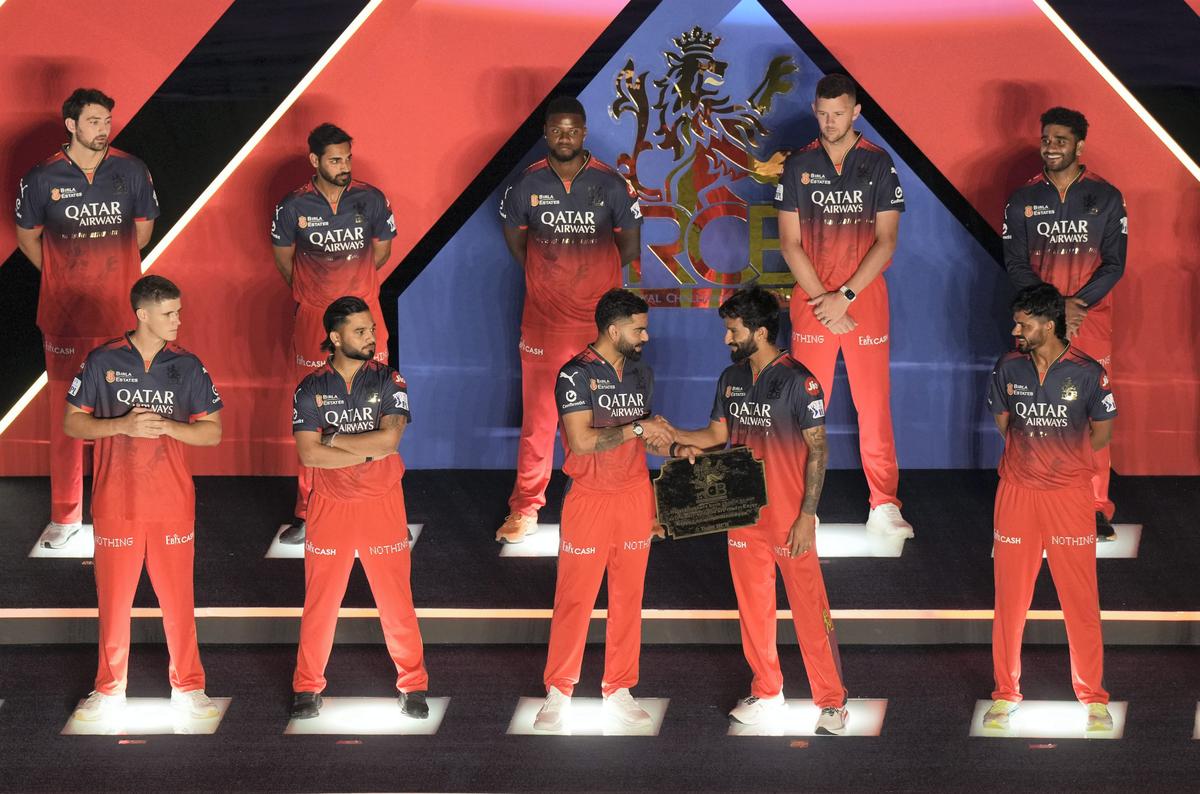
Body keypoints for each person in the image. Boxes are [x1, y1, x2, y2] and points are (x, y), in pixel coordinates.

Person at [670, 287, 848, 735]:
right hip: (742, 512)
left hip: (790, 518)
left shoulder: (799, 381)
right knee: (753, 609)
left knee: (810, 610)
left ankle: (831, 702)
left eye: (733, 330)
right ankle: (767, 691)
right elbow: (715, 436)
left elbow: (819, 450)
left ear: (761, 331)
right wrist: (669, 435)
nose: (727, 338)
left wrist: (808, 514)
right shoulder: (731, 377)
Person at [63, 275, 222, 722]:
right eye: (169, 313)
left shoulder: (188, 365)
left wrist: (171, 426)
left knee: (179, 601)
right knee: (114, 602)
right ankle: (109, 690)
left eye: (179, 311)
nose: (178, 320)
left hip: (172, 501)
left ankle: (189, 686)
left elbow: (213, 432)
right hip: (116, 500)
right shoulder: (102, 360)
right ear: (143, 315)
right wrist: (122, 426)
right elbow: (73, 424)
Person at [16, 87, 160, 549]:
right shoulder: (41, 178)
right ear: (71, 125)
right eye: (95, 121)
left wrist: (108, 274)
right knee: (69, 417)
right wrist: (64, 275)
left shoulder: (131, 169)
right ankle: (65, 516)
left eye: (107, 121)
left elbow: (141, 230)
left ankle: (121, 510)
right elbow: (26, 238)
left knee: (124, 414)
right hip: (64, 315)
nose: (103, 129)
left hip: (121, 311)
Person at [496, 95, 643, 544]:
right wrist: (549, 282)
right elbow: (518, 246)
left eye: (572, 130)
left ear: (584, 132)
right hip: (543, 323)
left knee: (602, 418)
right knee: (540, 421)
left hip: (598, 328)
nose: (565, 137)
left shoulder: (612, 185)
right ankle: (525, 508)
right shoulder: (525, 186)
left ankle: (604, 500)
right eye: (557, 130)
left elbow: (630, 249)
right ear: (546, 133)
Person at [774, 73, 911, 539]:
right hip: (811, 298)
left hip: (864, 298)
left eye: (839, 113)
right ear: (815, 110)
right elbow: (790, 244)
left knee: (873, 405)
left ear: (857, 112)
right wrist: (822, 300)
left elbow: (887, 241)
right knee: (807, 405)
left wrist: (845, 296)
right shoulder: (798, 164)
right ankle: (800, 503)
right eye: (822, 113)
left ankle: (884, 504)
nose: (830, 122)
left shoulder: (878, 163)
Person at [532, 289, 671, 731]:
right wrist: (637, 428)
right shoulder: (573, 375)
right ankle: (559, 690)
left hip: (634, 495)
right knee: (575, 598)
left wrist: (666, 439)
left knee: (629, 597)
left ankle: (620, 688)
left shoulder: (641, 373)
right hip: (589, 498)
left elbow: (641, 434)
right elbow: (581, 442)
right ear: (613, 330)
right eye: (639, 328)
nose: (646, 336)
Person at [982, 284, 1115, 733]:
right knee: (1010, 602)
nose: (1015, 329)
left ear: (1049, 323)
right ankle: (1004, 693)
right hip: (1017, 495)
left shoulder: (1087, 372)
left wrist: (1063, 461)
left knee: (1080, 599)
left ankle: (1093, 697)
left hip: (1070, 498)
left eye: (1024, 323)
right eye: (1016, 322)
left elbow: (1101, 434)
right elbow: (1005, 424)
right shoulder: (1008, 366)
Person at [288, 296, 427, 720]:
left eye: (372, 330)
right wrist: (361, 451)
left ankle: (414, 684)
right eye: (361, 331)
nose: (372, 337)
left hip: (382, 505)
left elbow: (388, 443)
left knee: (396, 602)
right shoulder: (310, 387)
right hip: (329, 507)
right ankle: (307, 686)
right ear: (335, 337)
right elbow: (309, 457)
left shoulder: (390, 380)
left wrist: (332, 440)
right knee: (320, 603)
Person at [1002, 107, 1126, 540]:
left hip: (1091, 319)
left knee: (1089, 413)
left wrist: (1076, 306)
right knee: (1036, 409)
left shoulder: (1106, 196)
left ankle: (1092, 504)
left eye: (1060, 140)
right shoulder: (1022, 198)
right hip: (1039, 322)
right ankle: (1034, 492)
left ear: (1079, 146)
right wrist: (1055, 309)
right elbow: (1015, 263)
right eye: (1046, 138)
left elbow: (1115, 265)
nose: (1051, 146)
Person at [271, 123, 397, 544]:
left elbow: (381, 252)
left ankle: (373, 498)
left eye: (347, 158)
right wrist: (314, 297)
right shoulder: (292, 206)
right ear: (315, 161)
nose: (344, 166)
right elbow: (284, 259)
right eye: (335, 160)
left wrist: (352, 297)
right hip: (312, 320)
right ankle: (310, 511)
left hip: (364, 315)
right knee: (316, 411)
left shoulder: (370, 198)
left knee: (373, 406)